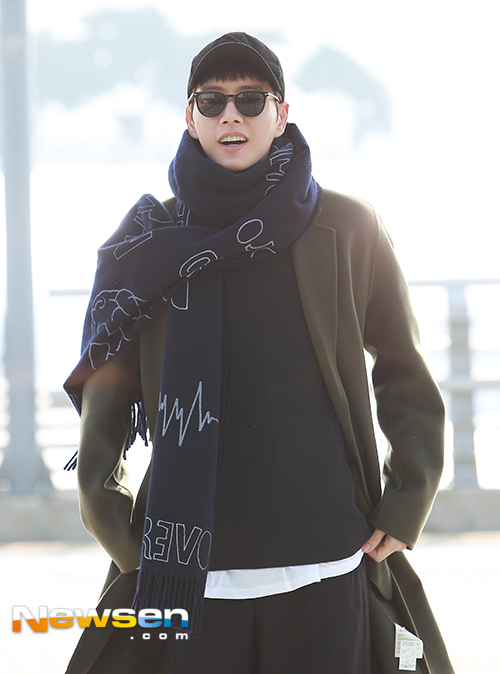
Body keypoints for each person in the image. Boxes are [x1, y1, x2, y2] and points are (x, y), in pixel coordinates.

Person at [64, 32, 454, 674]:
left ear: (282, 114)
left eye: (251, 100)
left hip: (328, 560)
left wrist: (408, 498)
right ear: (190, 118)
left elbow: (404, 368)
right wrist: (119, 533)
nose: (231, 116)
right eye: (211, 101)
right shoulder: (147, 243)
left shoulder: (347, 227)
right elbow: (104, 402)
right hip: (188, 578)